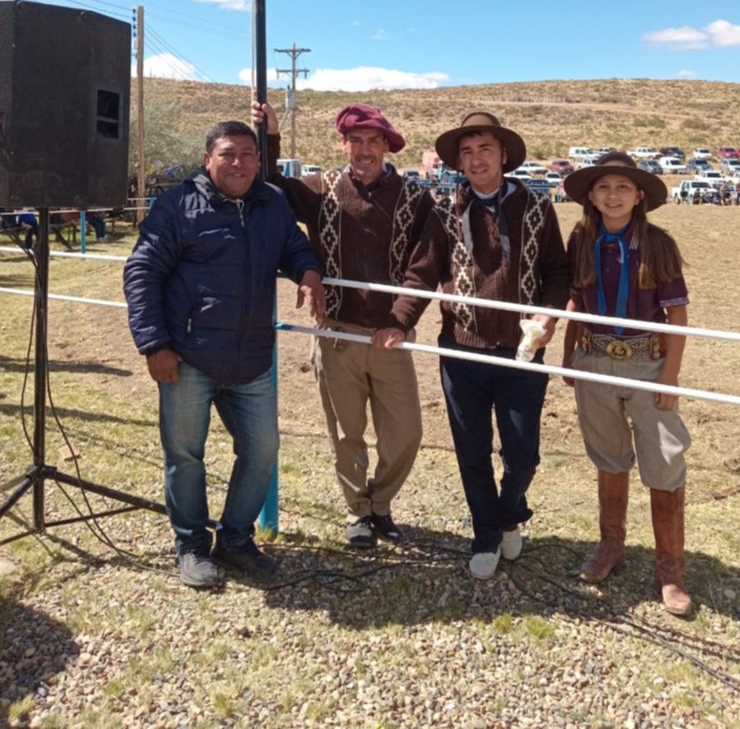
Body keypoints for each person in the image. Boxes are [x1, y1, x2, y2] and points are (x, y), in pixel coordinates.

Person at [123, 121, 325, 589]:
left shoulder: (271, 202)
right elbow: (141, 272)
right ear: (208, 158)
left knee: (262, 449)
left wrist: (309, 271)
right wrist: (154, 344)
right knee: (186, 456)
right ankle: (191, 545)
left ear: (258, 159)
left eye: (248, 155)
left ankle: (234, 540)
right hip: (188, 358)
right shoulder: (178, 206)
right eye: (229, 154)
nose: (240, 163)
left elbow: (293, 246)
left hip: (252, 358)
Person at [372, 112, 569, 580]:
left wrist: (548, 313)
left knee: (523, 454)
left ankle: (509, 514)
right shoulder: (443, 212)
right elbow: (420, 272)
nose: (476, 159)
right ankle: (485, 534)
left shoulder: (538, 207)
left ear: (503, 155)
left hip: (522, 350)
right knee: (472, 450)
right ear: (458, 162)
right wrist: (399, 321)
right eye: (466, 152)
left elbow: (557, 272)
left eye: (484, 149)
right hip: (461, 350)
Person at [253, 100, 434, 549]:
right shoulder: (322, 188)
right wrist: (270, 136)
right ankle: (359, 512)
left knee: (405, 431)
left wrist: (401, 320)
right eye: (356, 141)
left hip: (390, 337)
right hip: (335, 333)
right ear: (344, 143)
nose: (364, 150)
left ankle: (382, 503)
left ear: (388, 146)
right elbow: (270, 187)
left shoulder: (415, 196)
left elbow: (425, 266)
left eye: (374, 141)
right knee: (346, 432)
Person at [561, 151, 692, 616]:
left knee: (664, 461)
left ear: (639, 196)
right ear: (591, 197)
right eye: (603, 188)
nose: (611, 195)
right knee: (609, 456)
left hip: (646, 364)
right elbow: (574, 299)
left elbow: (677, 314)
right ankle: (611, 545)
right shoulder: (581, 239)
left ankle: (670, 570)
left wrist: (670, 377)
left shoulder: (658, 244)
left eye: (621, 188)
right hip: (593, 360)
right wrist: (567, 354)